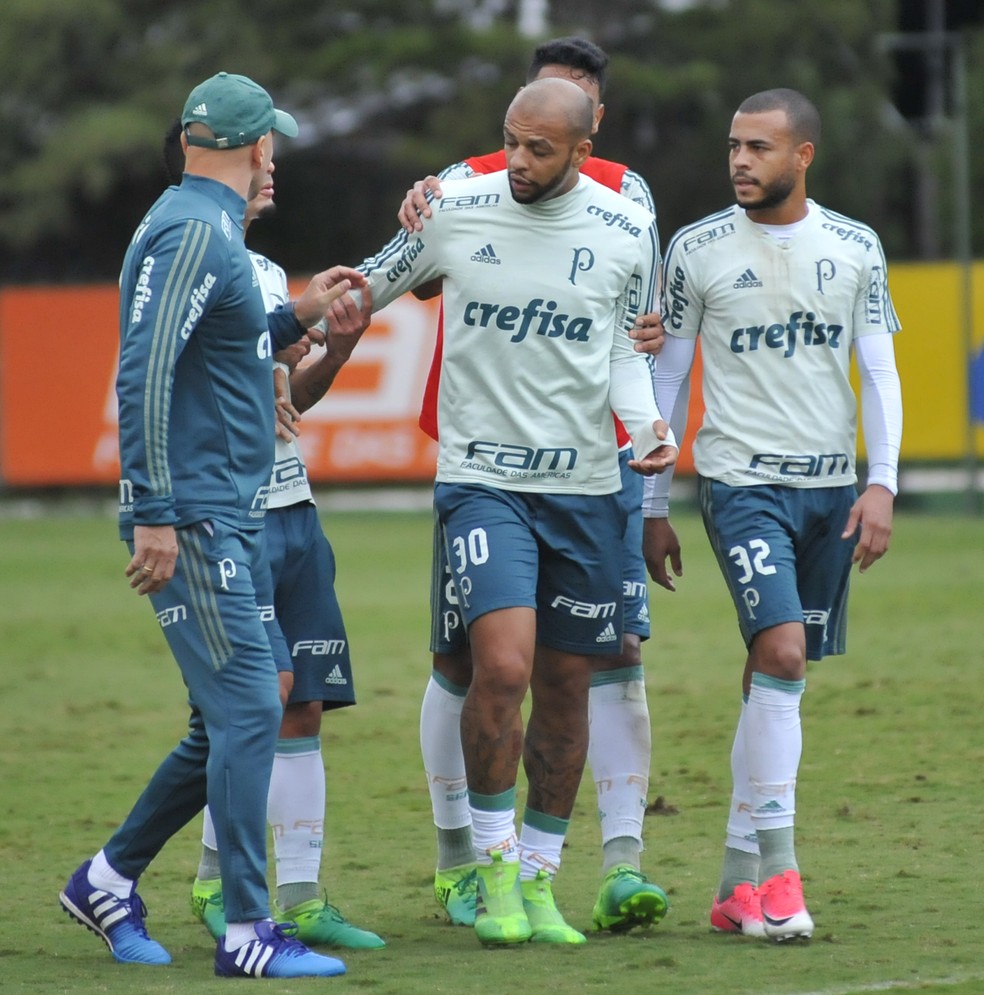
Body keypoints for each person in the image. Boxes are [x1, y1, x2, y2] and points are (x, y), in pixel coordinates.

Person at [58, 71, 367, 979]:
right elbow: (145, 374)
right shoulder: (195, 230)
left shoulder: (198, 221)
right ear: (251, 146)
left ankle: (107, 878)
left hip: (215, 507)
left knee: (236, 708)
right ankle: (247, 930)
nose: (277, 162)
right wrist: (153, 511)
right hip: (192, 513)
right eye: (273, 144)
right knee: (247, 706)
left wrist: (297, 314)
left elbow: (218, 340)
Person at [357, 76, 677, 946]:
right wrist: (295, 327)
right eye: (512, 140)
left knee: (570, 686)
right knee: (497, 667)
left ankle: (540, 879)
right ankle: (488, 868)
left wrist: (649, 426)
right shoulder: (456, 203)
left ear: (585, 147)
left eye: (542, 148)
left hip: (586, 487)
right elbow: (370, 287)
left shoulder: (627, 227)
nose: (520, 161)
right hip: (481, 480)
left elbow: (624, 347)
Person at [643, 88, 902, 942]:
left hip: (830, 492)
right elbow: (670, 380)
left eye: (759, 147)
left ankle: (733, 878)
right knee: (783, 652)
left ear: (804, 156)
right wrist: (653, 502)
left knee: (771, 676)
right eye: (733, 146)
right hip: (739, 482)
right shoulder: (698, 249)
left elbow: (880, 373)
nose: (740, 161)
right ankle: (784, 876)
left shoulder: (856, 246)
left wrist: (882, 483)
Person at [158, 120, 385, 951]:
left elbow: (293, 398)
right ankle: (219, 886)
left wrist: (338, 350)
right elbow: (172, 382)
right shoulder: (181, 257)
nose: (273, 167)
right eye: (263, 153)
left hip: (296, 512)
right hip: (230, 520)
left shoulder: (257, 270)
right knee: (262, 694)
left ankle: (300, 895)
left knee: (308, 702)